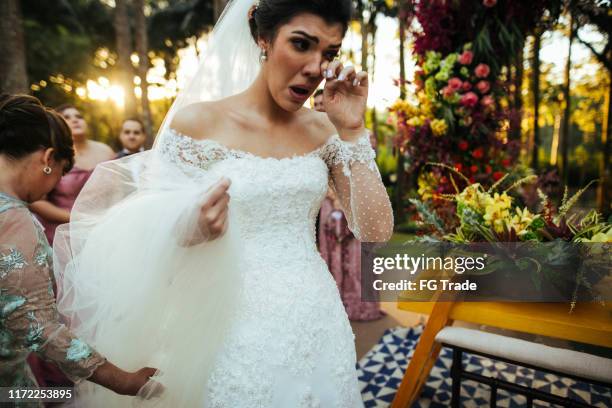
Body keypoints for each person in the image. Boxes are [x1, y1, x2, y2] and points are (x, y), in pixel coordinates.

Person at [55, 0, 393, 406]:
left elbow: (376, 231)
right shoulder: (197, 125)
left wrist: (354, 130)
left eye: (329, 54)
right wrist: (188, 227)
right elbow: (143, 232)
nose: (315, 67)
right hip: (227, 324)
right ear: (262, 37)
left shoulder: (327, 131)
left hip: (315, 316)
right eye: (301, 44)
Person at [0, 94, 157, 399]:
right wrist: (124, 381)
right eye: (61, 172)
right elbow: (39, 329)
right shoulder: (16, 220)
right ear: (48, 160)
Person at [30, 105, 115, 245]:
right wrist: (76, 218)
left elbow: (118, 190)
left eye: (79, 116)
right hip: (63, 234)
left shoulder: (105, 151)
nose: (75, 120)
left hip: (102, 229)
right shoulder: (50, 156)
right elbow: (36, 202)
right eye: (67, 117)